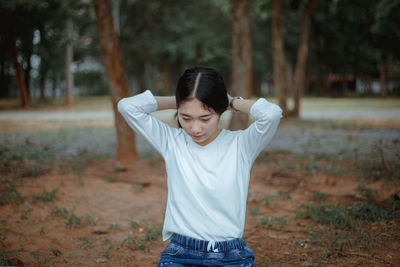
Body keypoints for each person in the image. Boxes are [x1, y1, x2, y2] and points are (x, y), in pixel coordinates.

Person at [118, 66, 282, 266]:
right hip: (180, 255)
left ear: (220, 112)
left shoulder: (242, 145)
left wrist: (232, 102)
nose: (195, 128)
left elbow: (271, 114)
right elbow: (127, 106)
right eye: (185, 117)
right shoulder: (171, 141)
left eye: (205, 118)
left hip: (230, 256)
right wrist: (182, 100)